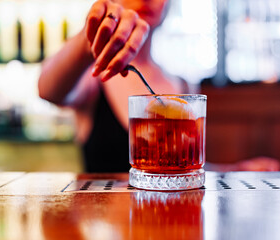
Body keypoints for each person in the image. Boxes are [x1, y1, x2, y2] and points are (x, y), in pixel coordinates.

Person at [38, 0, 280, 172]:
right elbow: (48, 89)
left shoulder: (183, 83)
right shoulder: (96, 76)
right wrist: (88, 40)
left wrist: (234, 171)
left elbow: (184, 168)